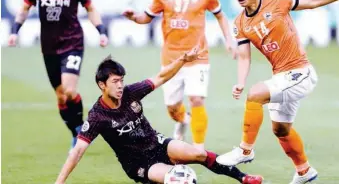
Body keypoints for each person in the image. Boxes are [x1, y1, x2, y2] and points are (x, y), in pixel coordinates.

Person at [216, 0, 339, 184]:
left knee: (256, 94)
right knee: (280, 129)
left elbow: (312, 1)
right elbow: (244, 57)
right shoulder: (240, 23)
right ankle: (305, 171)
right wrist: (239, 82)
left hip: (300, 72)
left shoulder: (277, 1)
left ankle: (245, 150)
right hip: (281, 77)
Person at [54, 49, 263, 184]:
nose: (120, 85)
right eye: (115, 81)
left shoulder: (131, 92)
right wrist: (59, 182)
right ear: (102, 85)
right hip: (138, 163)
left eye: (121, 80)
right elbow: (78, 151)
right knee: (180, 180)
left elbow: (161, 77)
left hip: (158, 144)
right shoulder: (97, 116)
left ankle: (243, 178)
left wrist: (182, 60)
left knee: (199, 154)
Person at [123, 0, 237, 150]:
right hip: (171, 60)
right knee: (173, 108)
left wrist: (229, 39)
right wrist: (133, 17)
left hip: (197, 58)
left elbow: (220, 15)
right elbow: (145, 18)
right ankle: (184, 120)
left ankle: (199, 147)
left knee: (196, 99)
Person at [7, 0, 108, 149]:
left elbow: (90, 8)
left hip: (73, 43)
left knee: (70, 90)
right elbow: (24, 9)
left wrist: (101, 30)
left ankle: (81, 132)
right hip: (49, 47)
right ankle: (76, 130)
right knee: (61, 95)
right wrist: (14, 30)